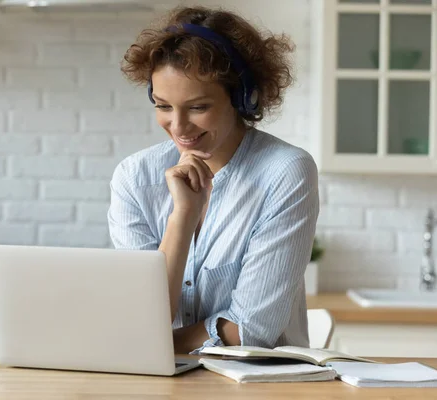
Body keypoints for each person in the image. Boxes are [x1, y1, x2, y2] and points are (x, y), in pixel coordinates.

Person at [108, 5, 319, 354]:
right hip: (160, 383)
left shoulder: (285, 171)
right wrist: (182, 218)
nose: (178, 127)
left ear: (242, 98)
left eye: (197, 107)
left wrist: (149, 344)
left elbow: (252, 329)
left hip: (255, 384)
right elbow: (141, 314)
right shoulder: (134, 177)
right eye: (162, 106)